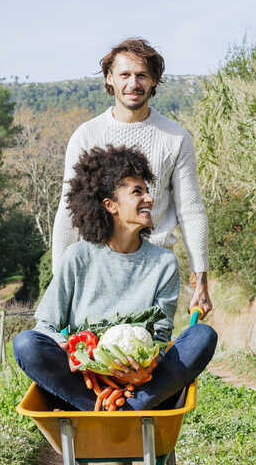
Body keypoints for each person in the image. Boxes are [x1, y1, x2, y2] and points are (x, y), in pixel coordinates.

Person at [16, 145, 217, 411]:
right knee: (26, 344)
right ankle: (100, 406)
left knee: (202, 335)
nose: (148, 198)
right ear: (110, 205)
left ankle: (129, 405)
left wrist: (144, 368)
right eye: (137, 192)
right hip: (87, 378)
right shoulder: (77, 258)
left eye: (147, 191)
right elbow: (46, 326)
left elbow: (160, 334)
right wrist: (84, 361)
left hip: (142, 378)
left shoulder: (163, 263)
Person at [51, 38, 213, 317]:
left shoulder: (175, 138)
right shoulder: (86, 136)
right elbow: (68, 214)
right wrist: (59, 284)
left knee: (146, 355)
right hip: (94, 272)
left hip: (153, 270)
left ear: (154, 81)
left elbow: (191, 210)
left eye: (142, 75)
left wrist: (202, 278)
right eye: (125, 75)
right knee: (91, 356)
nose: (133, 83)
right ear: (110, 79)